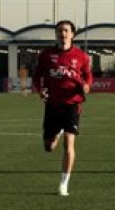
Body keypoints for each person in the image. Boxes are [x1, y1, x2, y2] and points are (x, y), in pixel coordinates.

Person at [32, 20, 93, 196]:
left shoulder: (81, 56)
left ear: (72, 34)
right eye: (59, 31)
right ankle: (55, 132)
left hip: (73, 103)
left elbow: (88, 76)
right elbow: (37, 77)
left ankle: (64, 184)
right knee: (49, 147)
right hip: (52, 104)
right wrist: (40, 91)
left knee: (69, 142)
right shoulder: (46, 55)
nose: (63, 34)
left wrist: (87, 86)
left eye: (66, 31)